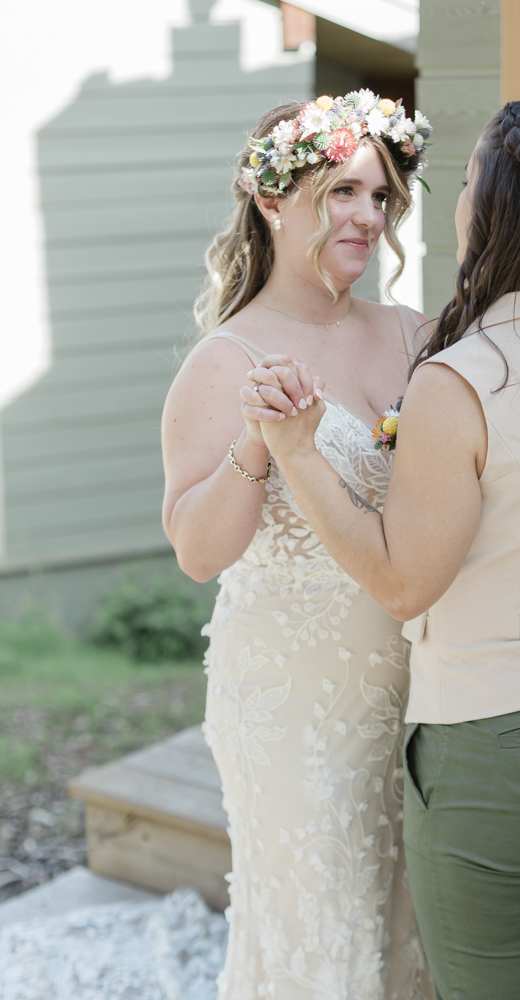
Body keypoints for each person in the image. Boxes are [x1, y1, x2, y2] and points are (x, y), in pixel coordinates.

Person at [242, 98, 520, 1000]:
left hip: (502, 748)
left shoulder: (459, 378)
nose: (456, 202)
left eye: (469, 182)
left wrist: (295, 452)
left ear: (500, 205)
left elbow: (403, 584)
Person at [161, 92, 435, 999]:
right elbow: (199, 554)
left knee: (412, 926)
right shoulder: (224, 363)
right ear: (272, 200)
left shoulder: (416, 335)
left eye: (381, 196)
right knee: (328, 934)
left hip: (425, 690)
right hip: (292, 711)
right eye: (341, 192)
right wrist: (258, 440)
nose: (367, 216)